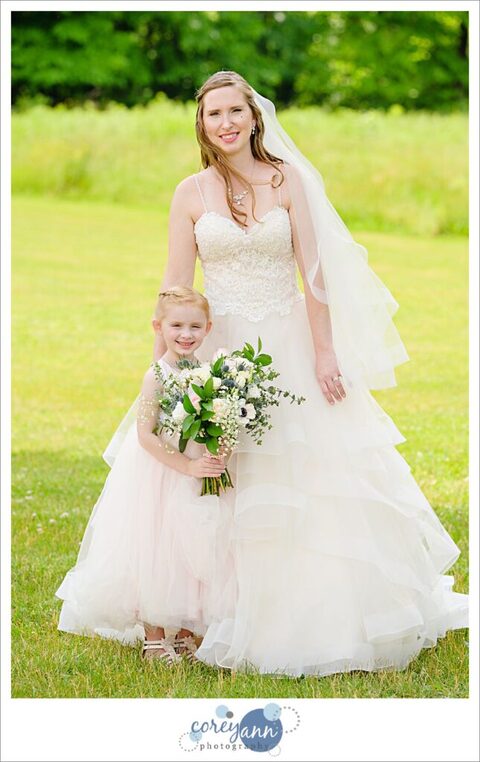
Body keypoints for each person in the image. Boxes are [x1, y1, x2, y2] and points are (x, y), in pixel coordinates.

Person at [155, 71, 468, 678]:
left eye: (234, 112)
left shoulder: (286, 180)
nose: (225, 123)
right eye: (213, 114)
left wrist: (325, 353)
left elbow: (315, 277)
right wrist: (169, 366)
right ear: (202, 124)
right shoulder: (189, 193)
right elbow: (176, 287)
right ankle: (210, 608)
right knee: (217, 475)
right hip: (217, 346)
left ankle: (305, 611)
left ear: (254, 117)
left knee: (306, 472)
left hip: (287, 346)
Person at [56, 287, 235, 663]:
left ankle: (188, 629)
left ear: (208, 328)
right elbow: (145, 435)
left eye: (195, 327)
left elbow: (222, 424)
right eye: (176, 325)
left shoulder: (211, 374)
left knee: (195, 547)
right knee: (156, 549)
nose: (186, 334)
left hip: (197, 475)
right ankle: (155, 636)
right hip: (160, 475)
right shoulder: (156, 375)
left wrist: (219, 454)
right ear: (158, 327)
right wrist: (185, 465)